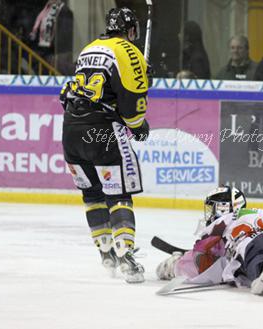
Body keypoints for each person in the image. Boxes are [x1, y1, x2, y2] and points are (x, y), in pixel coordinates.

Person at [59, 7, 150, 283]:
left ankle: (106, 254)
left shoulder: (89, 49)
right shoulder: (128, 50)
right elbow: (133, 109)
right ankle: (126, 257)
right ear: (130, 29)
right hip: (102, 131)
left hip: (71, 130)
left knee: (92, 195)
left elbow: (67, 94)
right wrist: (139, 127)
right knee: (118, 193)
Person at [29, 0, 74, 74]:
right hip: (44, 52)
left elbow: (64, 36)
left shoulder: (64, 11)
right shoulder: (45, 10)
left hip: (56, 54)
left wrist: (51, 47)